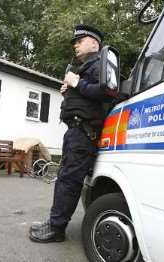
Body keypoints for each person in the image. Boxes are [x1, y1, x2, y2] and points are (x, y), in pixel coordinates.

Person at [29, 24, 109, 243]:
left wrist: (76, 82)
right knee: (65, 179)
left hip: (83, 134)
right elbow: (86, 97)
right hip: (75, 132)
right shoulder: (87, 67)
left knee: (69, 181)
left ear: (94, 43)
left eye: (79, 40)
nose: (75, 44)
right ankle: (54, 223)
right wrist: (69, 90)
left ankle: (56, 229)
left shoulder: (101, 64)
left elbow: (106, 92)